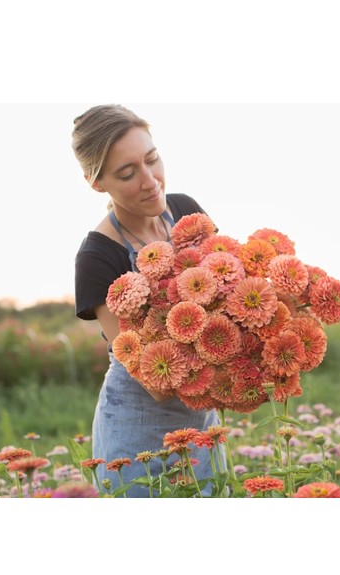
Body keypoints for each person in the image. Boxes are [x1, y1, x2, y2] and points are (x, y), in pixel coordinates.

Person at [72, 104, 225, 497]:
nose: (150, 180)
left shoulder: (187, 212)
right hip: (136, 435)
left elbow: (230, 291)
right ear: (97, 183)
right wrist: (227, 352)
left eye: (152, 160)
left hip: (201, 421)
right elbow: (154, 382)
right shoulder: (96, 258)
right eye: (128, 173)